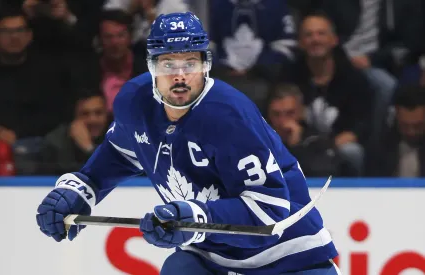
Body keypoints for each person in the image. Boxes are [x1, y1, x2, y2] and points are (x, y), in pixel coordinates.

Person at [36, 12, 340, 275]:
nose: (180, 76)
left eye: (190, 63)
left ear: (205, 64)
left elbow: (268, 210)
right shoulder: (134, 101)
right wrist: (81, 190)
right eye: (169, 64)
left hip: (289, 257)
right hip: (214, 258)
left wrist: (197, 218)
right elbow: (121, 152)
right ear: (152, 65)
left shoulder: (228, 115)